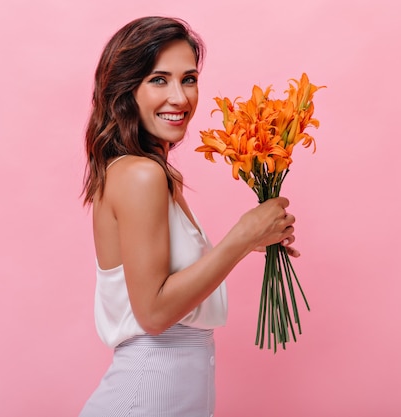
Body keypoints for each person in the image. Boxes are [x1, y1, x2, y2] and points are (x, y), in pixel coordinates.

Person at [79, 16, 299, 417]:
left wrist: (258, 237)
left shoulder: (149, 173)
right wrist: (243, 237)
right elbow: (154, 313)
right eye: (159, 80)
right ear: (125, 90)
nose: (180, 98)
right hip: (146, 397)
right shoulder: (140, 175)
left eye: (189, 79)